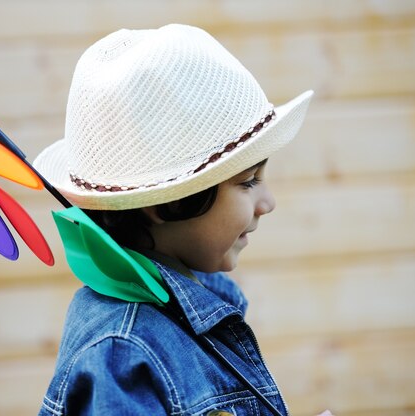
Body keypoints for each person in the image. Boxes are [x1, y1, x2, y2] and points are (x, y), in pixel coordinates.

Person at [34, 24, 324, 415]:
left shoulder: (193, 299)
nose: (267, 202)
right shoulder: (122, 352)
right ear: (165, 204)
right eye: (248, 182)